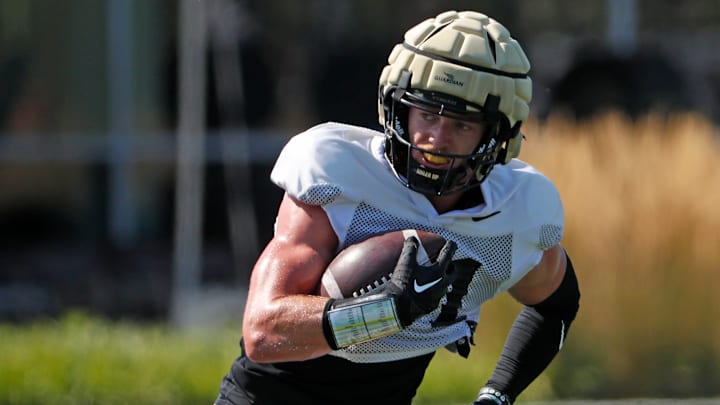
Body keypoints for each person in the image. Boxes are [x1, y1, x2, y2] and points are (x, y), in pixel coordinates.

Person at [214, 10, 580, 405]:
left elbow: (556, 306)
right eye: (426, 113)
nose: (436, 139)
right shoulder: (339, 172)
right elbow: (263, 333)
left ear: (497, 136)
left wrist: (497, 394)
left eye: (462, 124)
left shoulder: (515, 215)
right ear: (397, 107)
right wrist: (380, 312)